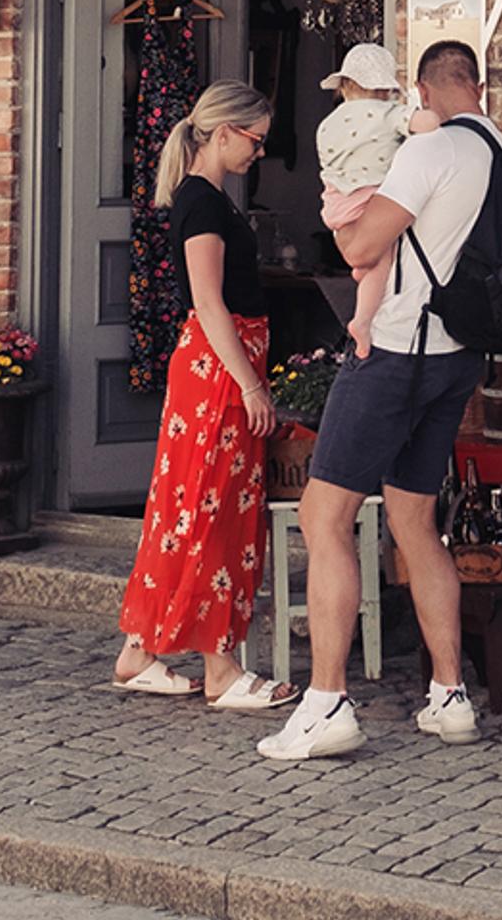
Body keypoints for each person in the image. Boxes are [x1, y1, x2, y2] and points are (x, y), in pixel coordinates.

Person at [261, 38, 497, 762]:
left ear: (421, 89)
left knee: (322, 515)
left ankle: (327, 701)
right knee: (414, 519)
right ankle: (450, 696)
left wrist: (348, 223)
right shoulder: (498, 149)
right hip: (459, 356)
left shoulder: (424, 154)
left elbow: (364, 249)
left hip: (396, 350)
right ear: (478, 84)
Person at [108, 80, 301, 713]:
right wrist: (249, 382)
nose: (259, 153)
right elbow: (209, 301)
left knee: (190, 507)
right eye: (255, 140)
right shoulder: (202, 204)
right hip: (220, 368)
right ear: (224, 133)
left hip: (218, 364)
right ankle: (220, 668)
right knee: (214, 511)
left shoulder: (206, 198)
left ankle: (140, 653)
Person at [313, 42, 413, 300]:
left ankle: (363, 274)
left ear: (344, 86)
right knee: (384, 258)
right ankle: (363, 318)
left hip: (336, 203)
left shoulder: (326, 124)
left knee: (366, 258)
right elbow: (423, 124)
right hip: (369, 197)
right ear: (386, 89)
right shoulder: (387, 113)